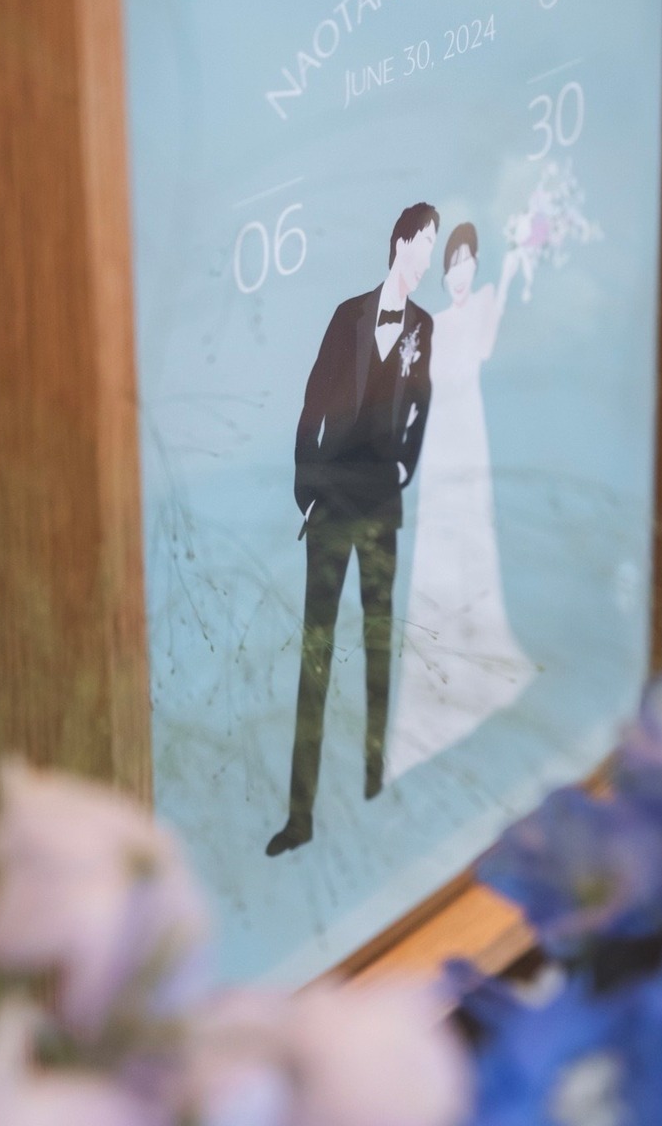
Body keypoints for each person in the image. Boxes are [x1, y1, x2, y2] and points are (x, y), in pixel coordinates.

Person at [266, 203, 438, 856]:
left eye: (433, 249)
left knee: (378, 645)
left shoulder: (423, 326)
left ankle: (373, 784)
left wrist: (403, 465)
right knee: (316, 654)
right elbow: (314, 398)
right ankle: (300, 816)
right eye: (423, 245)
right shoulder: (348, 316)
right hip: (333, 502)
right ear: (399, 243)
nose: (427, 259)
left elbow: (422, 400)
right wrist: (307, 487)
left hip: (382, 505)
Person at [385, 222, 538, 782]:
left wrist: (514, 269)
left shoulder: (477, 309)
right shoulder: (433, 324)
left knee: (475, 530)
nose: (457, 273)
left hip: (471, 431)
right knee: (441, 540)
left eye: (465, 262)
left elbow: (487, 346)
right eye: (451, 265)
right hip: (442, 440)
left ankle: (479, 646)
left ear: (475, 266)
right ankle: (439, 670)